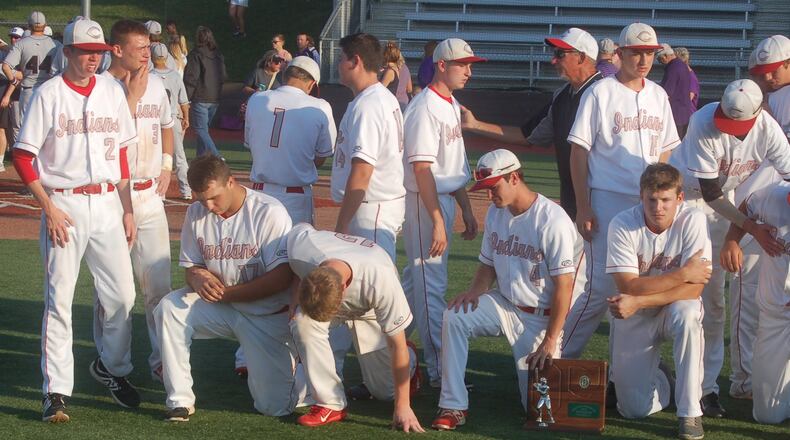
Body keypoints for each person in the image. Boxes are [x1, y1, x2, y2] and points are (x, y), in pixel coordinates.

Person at [12, 18, 139, 422]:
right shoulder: (48, 94)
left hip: (107, 204)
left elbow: (121, 151)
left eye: (98, 53)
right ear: (66, 51)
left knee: (122, 296)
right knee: (60, 300)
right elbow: (23, 155)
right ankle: (56, 391)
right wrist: (47, 206)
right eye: (85, 51)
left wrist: (128, 207)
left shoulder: (112, 89)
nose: (92, 59)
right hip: (63, 204)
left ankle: (111, 368)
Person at [668, 78, 790, 418]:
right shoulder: (704, 121)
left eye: (739, 125)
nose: (731, 130)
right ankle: (657, 377)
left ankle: (705, 388)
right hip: (686, 204)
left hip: (726, 207)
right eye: (727, 120)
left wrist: (737, 233)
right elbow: (709, 193)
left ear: (759, 113)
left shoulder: (767, 129)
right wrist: (747, 229)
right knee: (691, 299)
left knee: (714, 305)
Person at [431, 149, 576, 431]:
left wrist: (550, 339)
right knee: (455, 316)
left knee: (539, 411)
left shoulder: (551, 220)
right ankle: (453, 405)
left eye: (493, 187)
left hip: (540, 318)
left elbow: (564, 287)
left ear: (513, 178)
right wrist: (475, 291)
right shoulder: (498, 214)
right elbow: (488, 265)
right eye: (485, 189)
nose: (489, 196)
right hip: (504, 305)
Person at [562, 23, 680, 362]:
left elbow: (667, 150)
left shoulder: (658, 95)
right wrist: (584, 206)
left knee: (636, 287)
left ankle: (624, 371)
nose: (643, 60)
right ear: (621, 54)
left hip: (649, 204)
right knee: (599, 288)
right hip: (608, 198)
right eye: (636, 52)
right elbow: (578, 151)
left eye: (649, 53)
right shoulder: (600, 92)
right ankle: (556, 362)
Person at [155, 155, 298, 422]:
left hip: (264, 315)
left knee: (275, 406)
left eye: (213, 197)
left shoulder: (268, 211)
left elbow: (282, 278)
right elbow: (192, 266)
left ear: (231, 181)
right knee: (170, 308)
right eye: (201, 199)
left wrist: (227, 294)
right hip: (221, 308)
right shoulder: (196, 212)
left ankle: (299, 367)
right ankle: (179, 401)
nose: (208, 206)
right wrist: (196, 278)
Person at [606, 163, 711, 440]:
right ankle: (664, 380)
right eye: (651, 199)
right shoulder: (622, 223)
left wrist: (640, 300)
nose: (658, 207)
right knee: (632, 410)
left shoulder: (694, 220)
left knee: (688, 314)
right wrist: (683, 274)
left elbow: (695, 289)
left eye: (665, 200)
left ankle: (690, 412)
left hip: (666, 307)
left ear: (679, 199)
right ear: (641, 195)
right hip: (634, 315)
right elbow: (628, 285)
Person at [399, 37, 481, 388]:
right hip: (424, 203)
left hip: (442, 200)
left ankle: (385, 345)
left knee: (411, 286)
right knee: (431, 286)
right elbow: (421, 169)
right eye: (463, 64)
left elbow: (454, 166)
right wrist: (436, 220)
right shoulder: (423, 107)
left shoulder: (450, 103)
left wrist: (466, 208)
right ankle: (439, 371)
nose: (469, 70)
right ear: (442, 66)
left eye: (471, 64)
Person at [287, 223, 423, 431]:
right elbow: (299, 232)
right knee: (303, 321)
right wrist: (295, 294)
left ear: (343, 290)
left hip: (370, 309)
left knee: (385, 392)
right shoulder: (301, 249)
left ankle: (412, 363)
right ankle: (330, 403)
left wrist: (403, 406)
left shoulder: (381, 280)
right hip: (338, 280)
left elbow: (397, 345)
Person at [100, 19, 175, 382]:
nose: (148, 52)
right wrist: (131, 96)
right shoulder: (102, 88)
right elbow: (113, 140)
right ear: (117, 49)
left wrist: (167, 164)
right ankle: (110, 361)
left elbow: (167, 124)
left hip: (150, 195)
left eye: (149, 46)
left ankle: (161, 361)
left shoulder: (157, 83)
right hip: (113, 197)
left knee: (158, 286)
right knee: (116, 292)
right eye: (140, 47)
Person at [463, 27, 601, 222]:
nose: (554, 60)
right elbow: (527, 135)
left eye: (560, 54)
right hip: (572, 201)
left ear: (581, 57)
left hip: (604, 200)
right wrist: (474, 125)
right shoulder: (562, 96)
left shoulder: (608, 93)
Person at [719, 181, 790, 425]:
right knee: (767, 415)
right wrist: (732, 240)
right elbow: (747, 207)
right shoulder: (774, 195)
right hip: (775, 317)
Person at [330, 33, 405, 260]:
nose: (338, 64)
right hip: (375, 206)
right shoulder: (378, 97)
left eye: (342, 58)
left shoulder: (369, 105)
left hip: (370, 210)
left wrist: (341, 224)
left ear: (356, 61)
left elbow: (363, 171)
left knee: (373, 288)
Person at [245, 56, 335, 224]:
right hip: (295, 198)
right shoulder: (320, 106)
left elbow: (252, 146)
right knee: (294, 249)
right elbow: (321, 157)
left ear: (285, 77)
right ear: (311, 84)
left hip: (258, 197)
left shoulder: (256, 99)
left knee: (258, 250)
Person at [2, 11, 59, 128]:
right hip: (48, 90)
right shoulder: (56, 44)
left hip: (28, 91)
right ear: (45, 25)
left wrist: (13, 81)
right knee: (48, 128)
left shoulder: (21, 44)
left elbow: (5, 66)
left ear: (29, 25)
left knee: (27, 130)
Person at [152, 43, 192, 200]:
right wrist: (186, 118)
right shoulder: (175, 75)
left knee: (157, 157)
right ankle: (186, 191)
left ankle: (160, 193)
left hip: (154, 121)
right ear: (167, 57)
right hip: (173, 119)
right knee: (180, 157)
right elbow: (184, 101)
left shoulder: (149, 75)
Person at [184, 26, 226, 158]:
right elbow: (224, 75)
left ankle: (217, 156)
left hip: (200, 96)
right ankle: (200, 158)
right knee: (204, 131)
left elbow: (191, 77)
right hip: (215, 97)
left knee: (201, 129)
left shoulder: (196, 54)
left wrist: (186, 97)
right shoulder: (218, 55)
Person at [658, 44, 693, 138]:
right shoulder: (682, 65)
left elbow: (666, 93)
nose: (660, 62)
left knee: (673, 145)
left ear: (665, 56)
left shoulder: (672, 68)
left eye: (660, 59)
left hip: (675, 115)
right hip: (684, 113)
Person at [0, 27, 23, 168]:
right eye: (12, 37)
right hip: (6, 94)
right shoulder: (7, 53)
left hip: (18, 97)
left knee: (16, 129)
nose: (14, 39)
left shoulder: (19, 53)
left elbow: (20, 76)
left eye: (17, 37)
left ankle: (18, 160)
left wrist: (7, 95)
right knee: (5, 128)